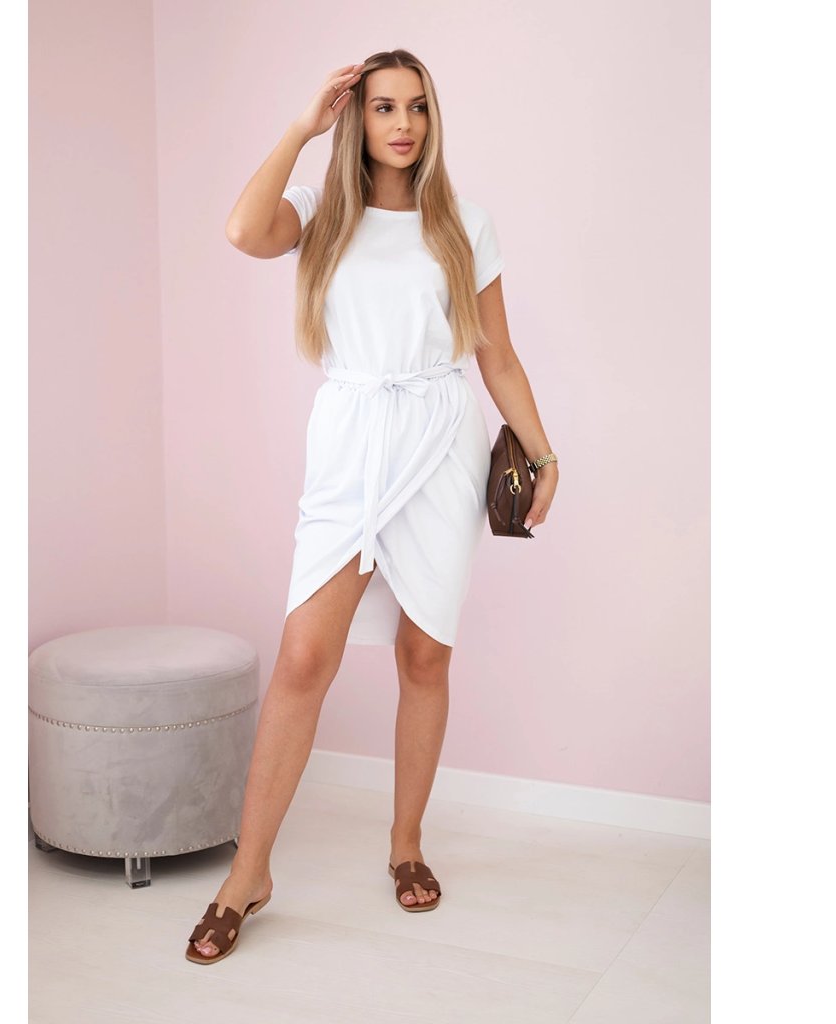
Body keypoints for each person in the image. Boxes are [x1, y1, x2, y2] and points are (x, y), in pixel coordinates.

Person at [187, 49, 559, 964]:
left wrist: (543, 452)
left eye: (417, 107)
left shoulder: (464, 223)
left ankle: (405, 845)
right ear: (356, 119)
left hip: (440, 442)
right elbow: (242, 229)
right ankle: (248, 875)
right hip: (352, 443)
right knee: (304, 657)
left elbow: (497, 355)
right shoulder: (320, 212)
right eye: (384, 107)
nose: (403, 124)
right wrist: (301, 126)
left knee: (424, 655)